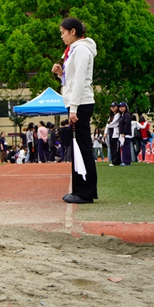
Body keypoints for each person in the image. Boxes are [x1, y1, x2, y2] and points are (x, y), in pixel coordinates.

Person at [51, 17, 97, 204]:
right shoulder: (74, 51)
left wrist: (74, 109)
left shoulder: (81, 50)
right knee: (78, 146)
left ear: (73, 31)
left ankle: (85, 192)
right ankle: (80, 189)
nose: (62, 36)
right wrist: (61, 74)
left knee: (82, 146)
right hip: (77, 102)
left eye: (63, 32)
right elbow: (72, 79)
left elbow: (79, 81)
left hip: (81, 103)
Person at [117, 102, 134, 166]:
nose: (121, 108)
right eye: (120, 107)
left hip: (126, 134)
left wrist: (124, 132)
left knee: (126, 148)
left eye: (122, 107)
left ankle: (126, 161)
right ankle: (126, 161)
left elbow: (127, 124)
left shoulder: (127, 115)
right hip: (123, 134)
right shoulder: (122, 115)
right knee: (124, 148)